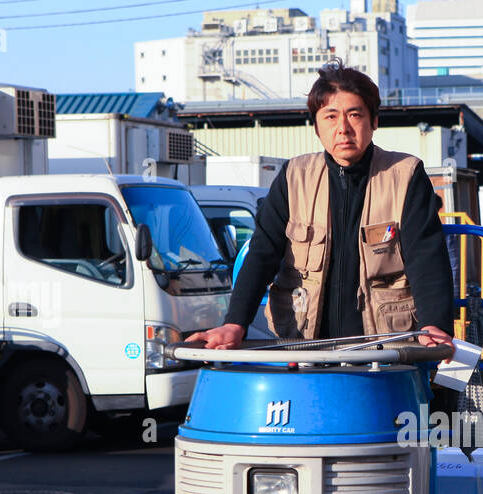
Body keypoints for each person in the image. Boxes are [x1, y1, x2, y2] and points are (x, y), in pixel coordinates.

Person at [187, 63, 453, 350]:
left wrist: (433, 325)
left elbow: (426, 258)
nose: (343, 128)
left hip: (384, 350)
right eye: (330, 116)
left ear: (374, 121)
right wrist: (234, 323)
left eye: (355, 115)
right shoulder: (294, 176)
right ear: (315, 125)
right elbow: (262, 254)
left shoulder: (405, 175)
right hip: (304, 345)